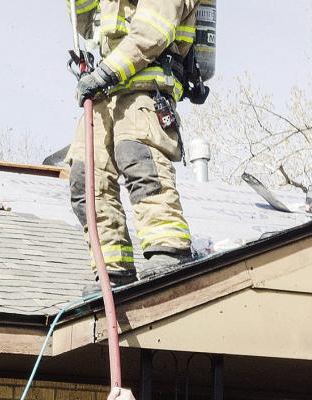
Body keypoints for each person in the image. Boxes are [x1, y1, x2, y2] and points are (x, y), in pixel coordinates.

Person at [65, 0, 202, 290]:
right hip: (105, 91)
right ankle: (113, 269)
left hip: (145, 85)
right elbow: (86, 25)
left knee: (139, 158)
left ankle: (170, 249)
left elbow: (151, 32)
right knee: (84, 178)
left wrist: (104, 73)